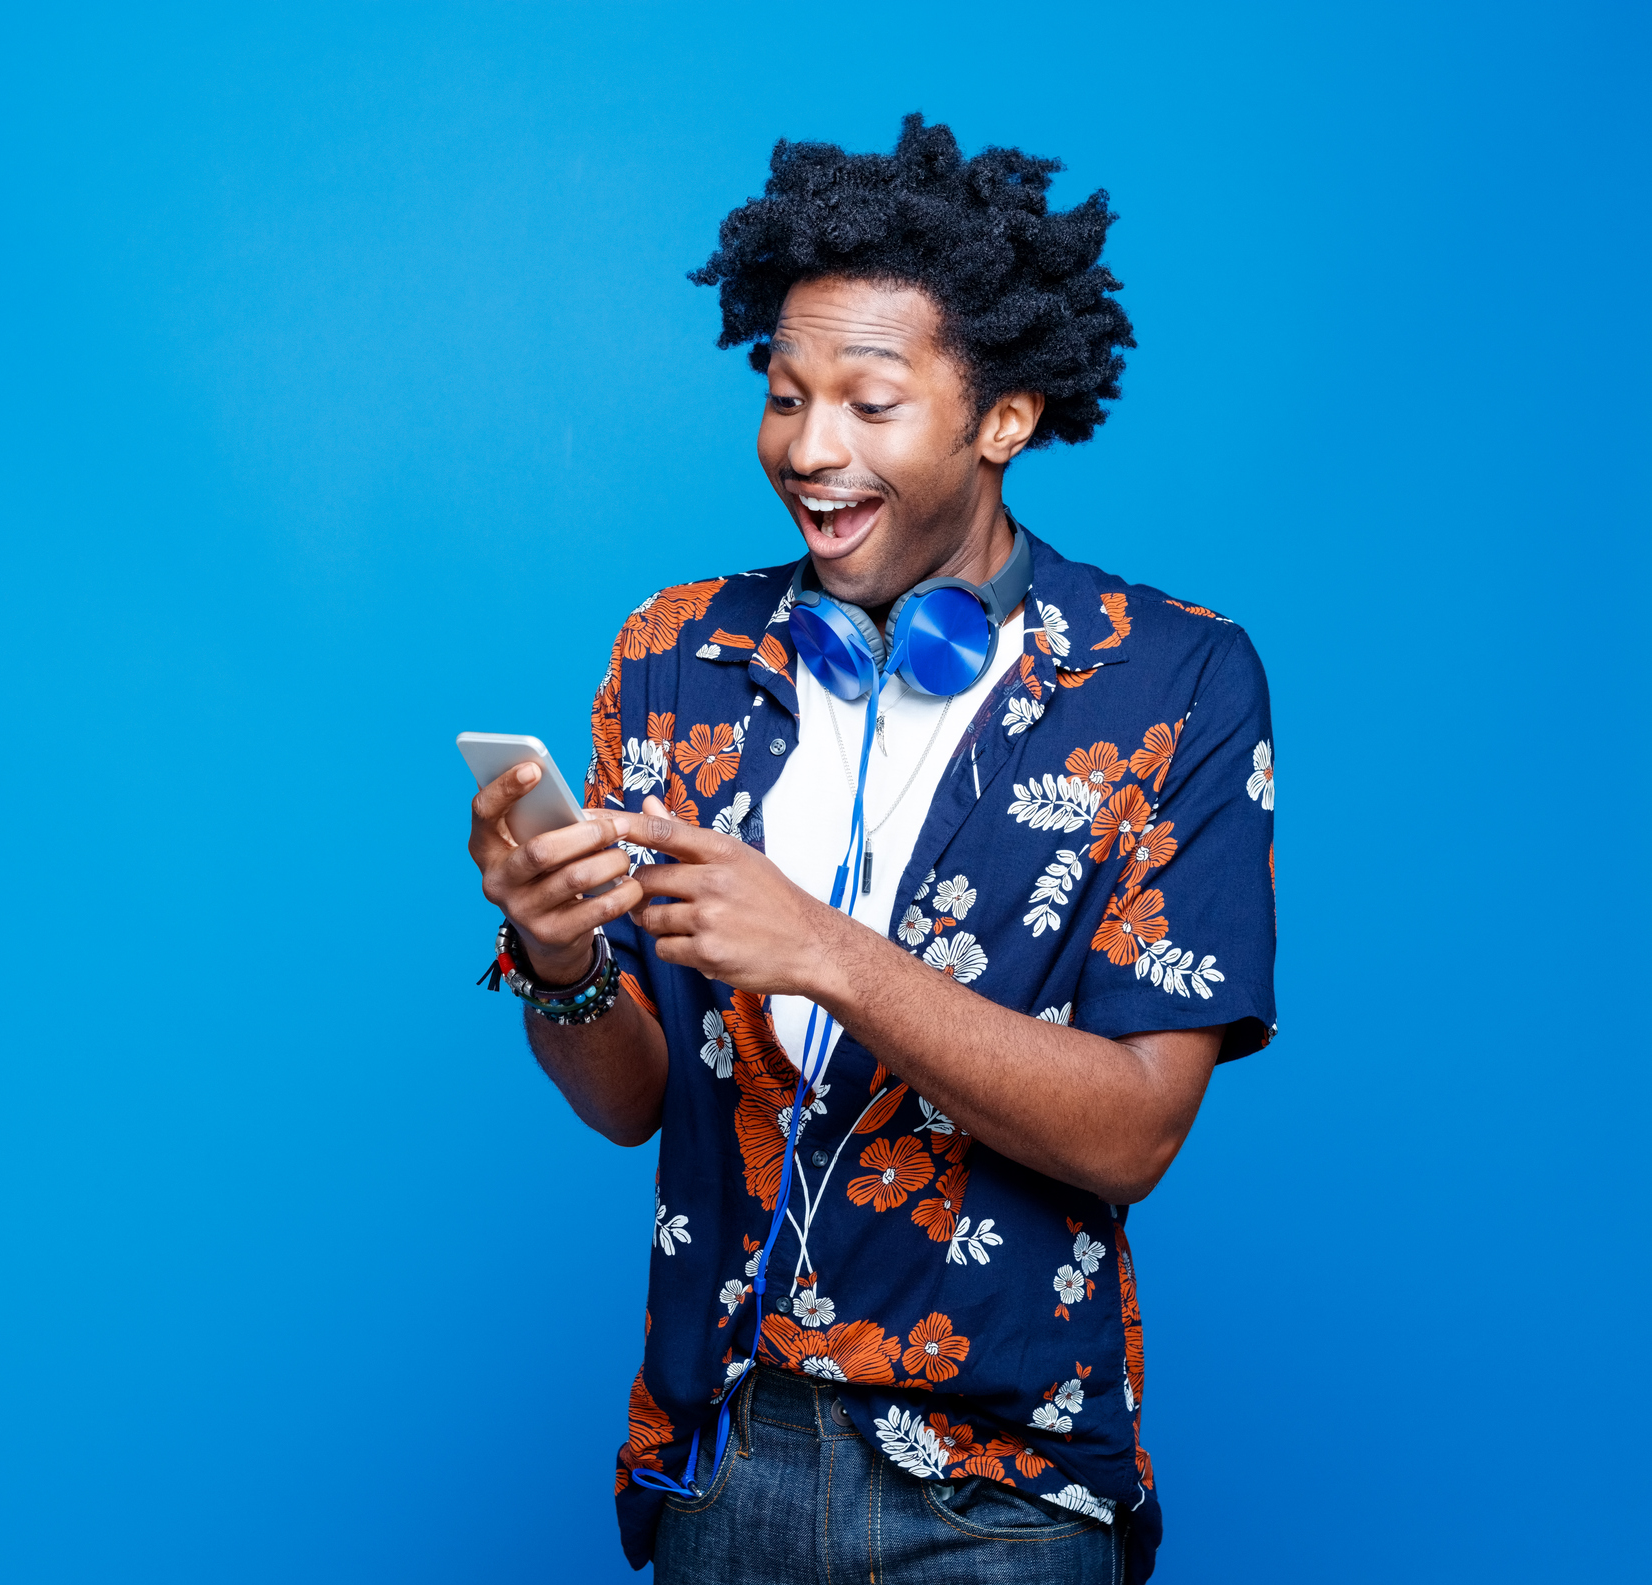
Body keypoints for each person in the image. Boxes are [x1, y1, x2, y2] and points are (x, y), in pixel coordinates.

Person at [466, 114, 1276, 1585]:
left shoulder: (1173, 681)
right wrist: (557, 950)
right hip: (722, 1452)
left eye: (870, 400)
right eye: (785, 396)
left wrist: (827, 953)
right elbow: (631, 1098)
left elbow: (1135, 1130)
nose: (810, 447)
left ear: (1004, 416)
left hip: (1005, 1493)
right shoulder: (678, 654)